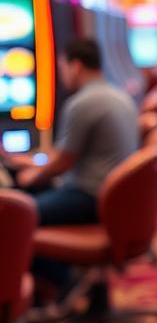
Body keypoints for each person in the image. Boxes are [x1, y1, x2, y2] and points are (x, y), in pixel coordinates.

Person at [0, 36, 138, 297]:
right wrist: (30, 160)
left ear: (75, 66)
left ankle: (66, 282)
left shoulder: (82, 103)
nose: (61, 74)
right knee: (27, 201)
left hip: (91, 196)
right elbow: (66, 153)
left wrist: (31, 175)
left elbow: (63, 162)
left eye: (62, 67)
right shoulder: (116, 94)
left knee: (15, 218)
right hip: (116, 196)